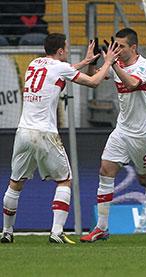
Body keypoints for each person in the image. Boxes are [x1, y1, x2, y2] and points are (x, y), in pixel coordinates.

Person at [0, 33, 121, 244]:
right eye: (66, 47)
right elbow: (93, 82)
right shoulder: (60, 67)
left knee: (15, 183)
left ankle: (7, 232)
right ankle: (56, 231)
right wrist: (108, 61)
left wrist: (84, 62)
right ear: (61, 51)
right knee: (65, 180)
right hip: (45, 132)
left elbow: (59, 73)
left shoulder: (34, 63)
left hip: (23, 131)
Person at [80, 28, 146, 243]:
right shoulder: (117, 63)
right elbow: (96, 77)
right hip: (122, 130)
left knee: (145, 179)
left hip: (144, 134)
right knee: (105, 169)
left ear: (134, 47)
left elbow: (132, 83)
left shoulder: (144, 66)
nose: (118, 50)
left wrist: (112, 64)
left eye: (122, 46)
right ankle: (101, 228)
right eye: (116, 45)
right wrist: (94, 61)